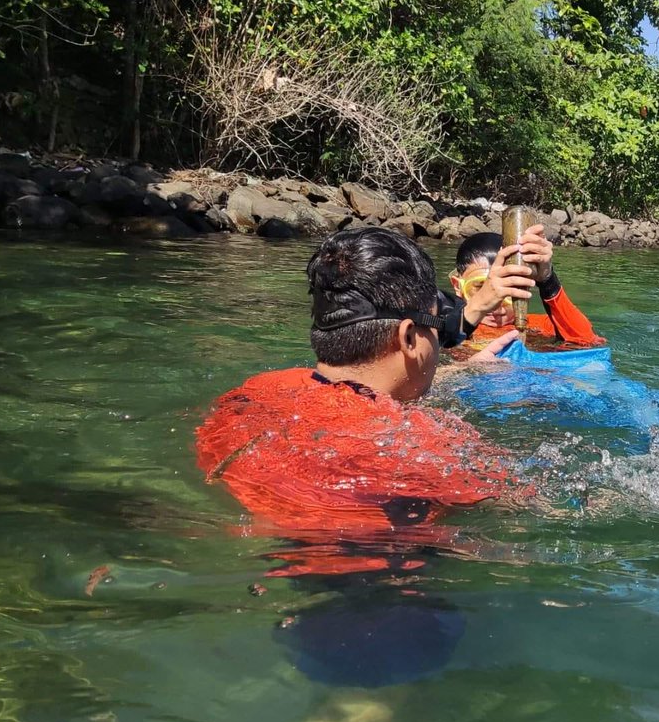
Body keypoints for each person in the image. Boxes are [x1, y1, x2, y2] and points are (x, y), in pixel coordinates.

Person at [195, 226, 526, 541]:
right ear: (410, 337)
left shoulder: (251, 394)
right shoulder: (423, 440)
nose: (440, 342)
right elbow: (530, 506)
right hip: (385, 581)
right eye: (438, 327)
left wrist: (463, 357)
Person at [449, 225, 605, 349]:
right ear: (458, 286)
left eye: (509, 288)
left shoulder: (538, 327)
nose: (496, 305)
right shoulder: (442, 325)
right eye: (481, 288)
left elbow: (586, 341)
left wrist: (547, 281)